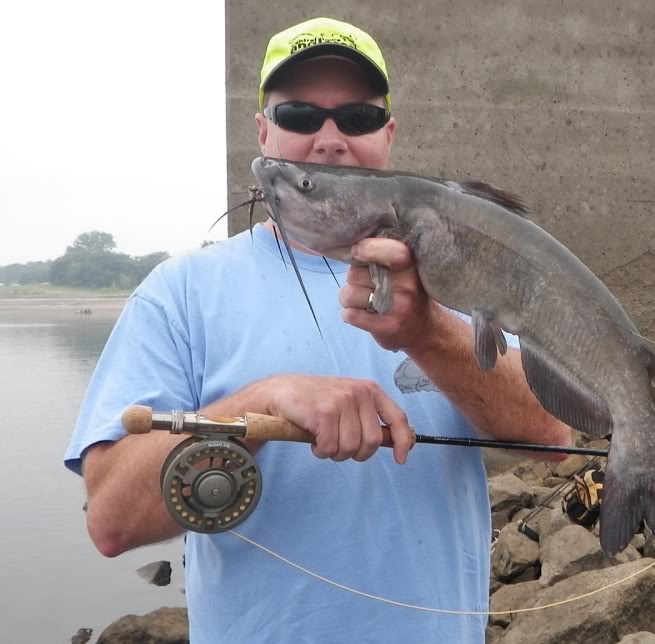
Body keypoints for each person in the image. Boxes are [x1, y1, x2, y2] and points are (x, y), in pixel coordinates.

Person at [64, 16, 573, 643]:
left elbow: (554, 439)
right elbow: (111, 521)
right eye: (301, 115)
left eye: (357, 118)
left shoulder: (463, 280)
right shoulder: (180, 294)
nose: (330, 138)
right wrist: (259, 402)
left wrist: (428, 332)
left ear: (388, 136)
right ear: (263, 131)